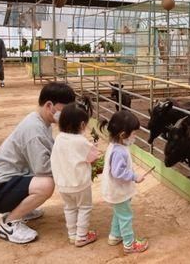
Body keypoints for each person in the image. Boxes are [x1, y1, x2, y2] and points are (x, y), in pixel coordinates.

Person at [0, 82, 76, 244]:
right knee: (46, 184)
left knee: (44, 179)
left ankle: (22, 209)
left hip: (3, 184)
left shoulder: (41, 121)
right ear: (49, 105)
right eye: (64, 110)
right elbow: (43, 168)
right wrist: (74, 166)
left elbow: (50, 154)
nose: (67, 115)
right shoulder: (34, 130)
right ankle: (9, 223)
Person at [50, 99, 101, 247]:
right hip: (80, 184)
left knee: (69, 208)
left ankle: (72, 235)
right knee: (84, 208)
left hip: (63, 184)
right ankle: (81, 236)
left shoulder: (59, 138)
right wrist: (94, 146)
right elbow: (92, 156)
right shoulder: (80, 141)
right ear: (83, 125)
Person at [100, 111, 149, 254]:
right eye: (134, 134)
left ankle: (114, 236)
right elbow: (117, 172)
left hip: (116, 190)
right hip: (118, 190)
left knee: (119, 213)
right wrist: (135, 176)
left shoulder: (115, 146)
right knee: (126, 216)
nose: (135, 137)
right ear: (122, 135)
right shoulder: (119, 151)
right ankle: (129, 244)